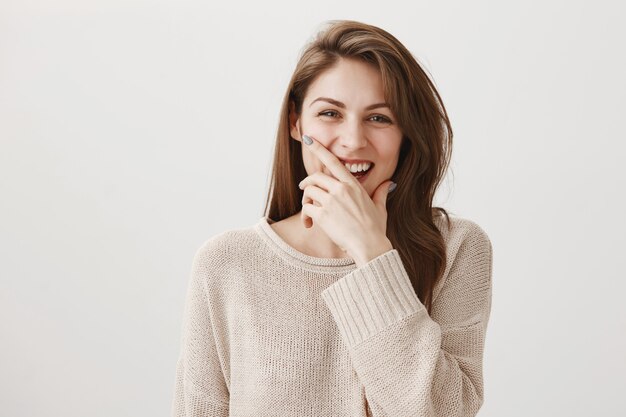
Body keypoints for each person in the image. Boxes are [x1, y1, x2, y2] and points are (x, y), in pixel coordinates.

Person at [171, 19, 493, 417]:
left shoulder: (457, 248)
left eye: (379, 118)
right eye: (329, 113)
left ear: (406, 133)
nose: (353, 140)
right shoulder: (226, 263)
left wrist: (372, 253)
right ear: (296, 123)